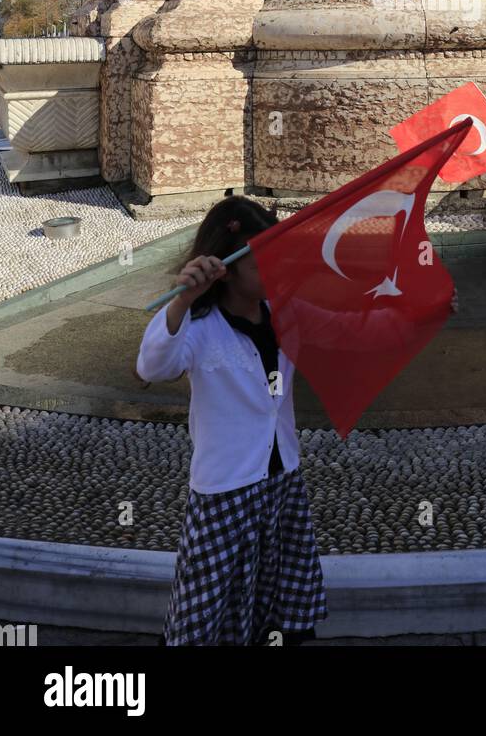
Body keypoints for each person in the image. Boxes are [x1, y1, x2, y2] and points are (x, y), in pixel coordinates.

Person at [136, 196, 327, 647]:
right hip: (224, 489)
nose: (275, 271)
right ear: (227, 265)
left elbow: (355, 329)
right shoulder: (199, 327)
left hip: (282, 479)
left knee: (275, 596)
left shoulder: (282, 314)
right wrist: (183, 300)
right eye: (262, 263)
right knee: (204, 607)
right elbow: (151, 367)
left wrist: (427, 308)